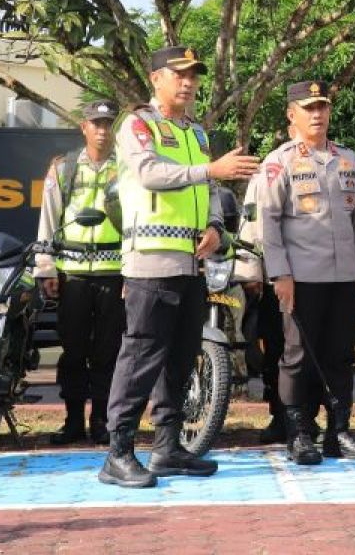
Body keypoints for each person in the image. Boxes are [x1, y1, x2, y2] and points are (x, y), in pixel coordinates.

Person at [99, 46, 260, 488]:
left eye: (194, 75)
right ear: (156, 79)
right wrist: (210, 169)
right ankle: (118, 453)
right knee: (141, 354)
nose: (188, 82)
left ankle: (167, 447)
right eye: (179, 74)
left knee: (181, 356)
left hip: (193, 262)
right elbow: (150, 173)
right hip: (151, 260)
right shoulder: (137, 124)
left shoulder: (196, 133)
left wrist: (213, 225)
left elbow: (207, 191)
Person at [241, 80, 355, 466]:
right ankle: (299, 432)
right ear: (292, 115)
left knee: (339, 355)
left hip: (345, 277)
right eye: (309, 108)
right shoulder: (280, 162)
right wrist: (279, 274)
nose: (317, 114)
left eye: (322, 106)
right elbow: (268, 224)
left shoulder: (347, 159)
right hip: (300, 278)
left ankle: (339, 432)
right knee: (297, 357)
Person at [35, 99, 124, 446]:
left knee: (108, 351)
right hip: (71, 272)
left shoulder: (128, 169)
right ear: (83, 127)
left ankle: (101, 421)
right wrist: (46, 269)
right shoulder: (64, 168)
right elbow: (48, 219)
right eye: (96, 124)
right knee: (72, 351)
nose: (102, 130)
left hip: (114, 271)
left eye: (107, 124)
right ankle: (72, 420)